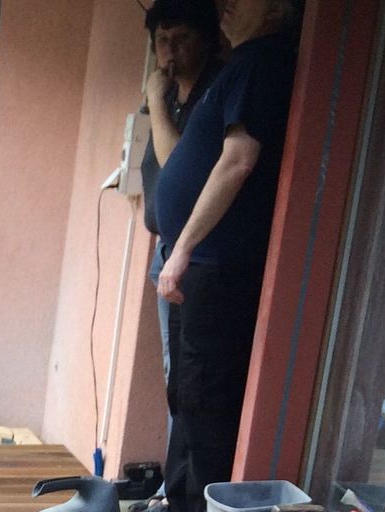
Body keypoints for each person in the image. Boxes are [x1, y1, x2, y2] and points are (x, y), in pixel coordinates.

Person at [147, 0, 301, 512]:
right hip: (195, 261)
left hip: (216, 261)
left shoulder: (263, 62)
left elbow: (238, 159)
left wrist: (184, 246)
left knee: (206, 398)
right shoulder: (239, 64)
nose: (227, 5)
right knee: (185, 392)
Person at [141, 0, 224, 380]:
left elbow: (177, 164)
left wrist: (155, 101)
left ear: (206, 41)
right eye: (162, 40)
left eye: (181, 38)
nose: (169, 50)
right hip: (166, 249)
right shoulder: (171, 96)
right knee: (172, 368)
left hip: (199, 254)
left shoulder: (213, 93)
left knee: (190, 373)